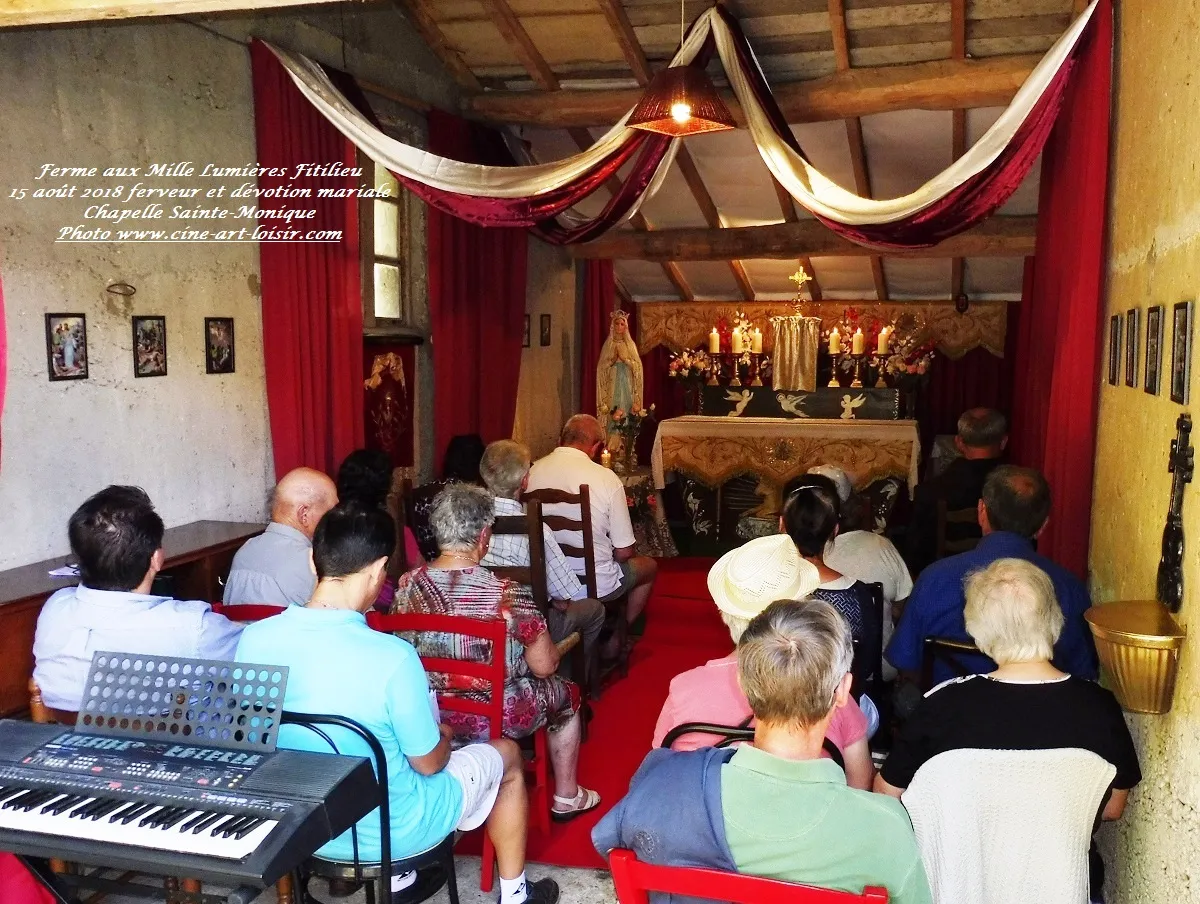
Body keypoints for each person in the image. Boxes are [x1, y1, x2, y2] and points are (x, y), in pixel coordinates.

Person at [236, 502, 559, 904]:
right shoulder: (392, 656)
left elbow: (254, 744)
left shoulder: (254, 640)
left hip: (302, 830)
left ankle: (403, 880)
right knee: (507, 756)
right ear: (378, 570)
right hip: (397, 830)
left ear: (311, 560)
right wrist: (442, 735)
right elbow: (428, 762)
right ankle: (515, 894)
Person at [595, 599, 931, 904]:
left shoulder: (661, 790)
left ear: (742, 682)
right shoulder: (886, 830)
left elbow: (612, 842)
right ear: (842, 691)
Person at [875, 558, 1139, 903]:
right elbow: (1112, 807)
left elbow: (886, 797)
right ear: (1054, 620)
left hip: (961, 888)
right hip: (1060, 889)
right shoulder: (1100, 707)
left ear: (978, 629)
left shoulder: (941, 707)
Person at [391, 483, 600, 821]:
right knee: (566, 694)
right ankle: (566, 796)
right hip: (493, 713)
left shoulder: (407, 586)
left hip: (426, 713)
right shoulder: (505, 593)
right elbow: (544, 666)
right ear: (484, 536)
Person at [652, 534, 873, 790]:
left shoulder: (683, 689)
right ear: (803, 606)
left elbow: (663, 775)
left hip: (708, 822)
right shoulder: (830, 695)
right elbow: (859, 786)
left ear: (725, 614)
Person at [33, 486, 243, 712]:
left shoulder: (55, 608)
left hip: (70, 743)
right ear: (156, 559)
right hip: (179, 745)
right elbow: (263, 654)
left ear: (79, 560)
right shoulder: (195, 627)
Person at [886, 466, 1098, 689]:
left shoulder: (934, 578)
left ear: (981, 511)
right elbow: (1081, 674)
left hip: (951, 716)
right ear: (1043, 525)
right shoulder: (1070, 588)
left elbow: (905, 661)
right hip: (1036, 717)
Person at [478, 440, 606, 666]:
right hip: (528, 626)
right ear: (525, 481)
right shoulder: (536, 529)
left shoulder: (471, 522)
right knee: (594, 610)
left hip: (482, 618)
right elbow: (562, 599)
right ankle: (564, 675)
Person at [527, 415, 657, 629]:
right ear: (595, 447)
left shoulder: (531, 472)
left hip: (544, 584)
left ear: (561, 439)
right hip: (593, 585)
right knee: (649, 567)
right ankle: (617, 634)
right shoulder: (605, 478)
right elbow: (625, 552)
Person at [800, 467, 912, 681]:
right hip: (876, 673)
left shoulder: (792, 557)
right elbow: (903, 610)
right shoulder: (881, 546)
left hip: (814, 677)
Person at [781, 477, 881, 692]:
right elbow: (866, 666)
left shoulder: (760, 587)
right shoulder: (858, 595)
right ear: (835, 530)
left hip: (773, 705)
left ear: (781, 525)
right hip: (841, 705)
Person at [906, 408, 1008, 574]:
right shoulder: (1016, 491)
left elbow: (917, 555)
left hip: (945, 579)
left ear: (959, 443)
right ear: (1003, 442)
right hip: (1003, 579)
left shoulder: (929, 492)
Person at [222, 467, 338, 607]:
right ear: (304, 514)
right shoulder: (314, 562)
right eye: (332, 511)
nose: (337, 518)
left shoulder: (244, 551)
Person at [336, 448, 423, 604]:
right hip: (384, 607)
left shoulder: (333, 520)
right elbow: (417, 567)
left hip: (341, 601)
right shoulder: (390, 521)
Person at [410, 434, 487, 561]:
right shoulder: (473, 499)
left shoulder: (420, 493)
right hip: (458, 564)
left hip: (425, 566)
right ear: (480, 463)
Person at [595, 310, 644, 456]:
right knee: (613, 414)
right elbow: (601, 368)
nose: (619, 326)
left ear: (626, 327)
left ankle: (627, 450)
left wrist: (625, 361)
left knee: (627, 414)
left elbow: (638, 367)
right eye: (617, 323)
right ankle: (612, 450)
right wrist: (612, 361)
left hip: (627, 386)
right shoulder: (608, 345)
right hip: (612, 385)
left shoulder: (630, 345)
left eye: (622, 324)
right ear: (613, 325)